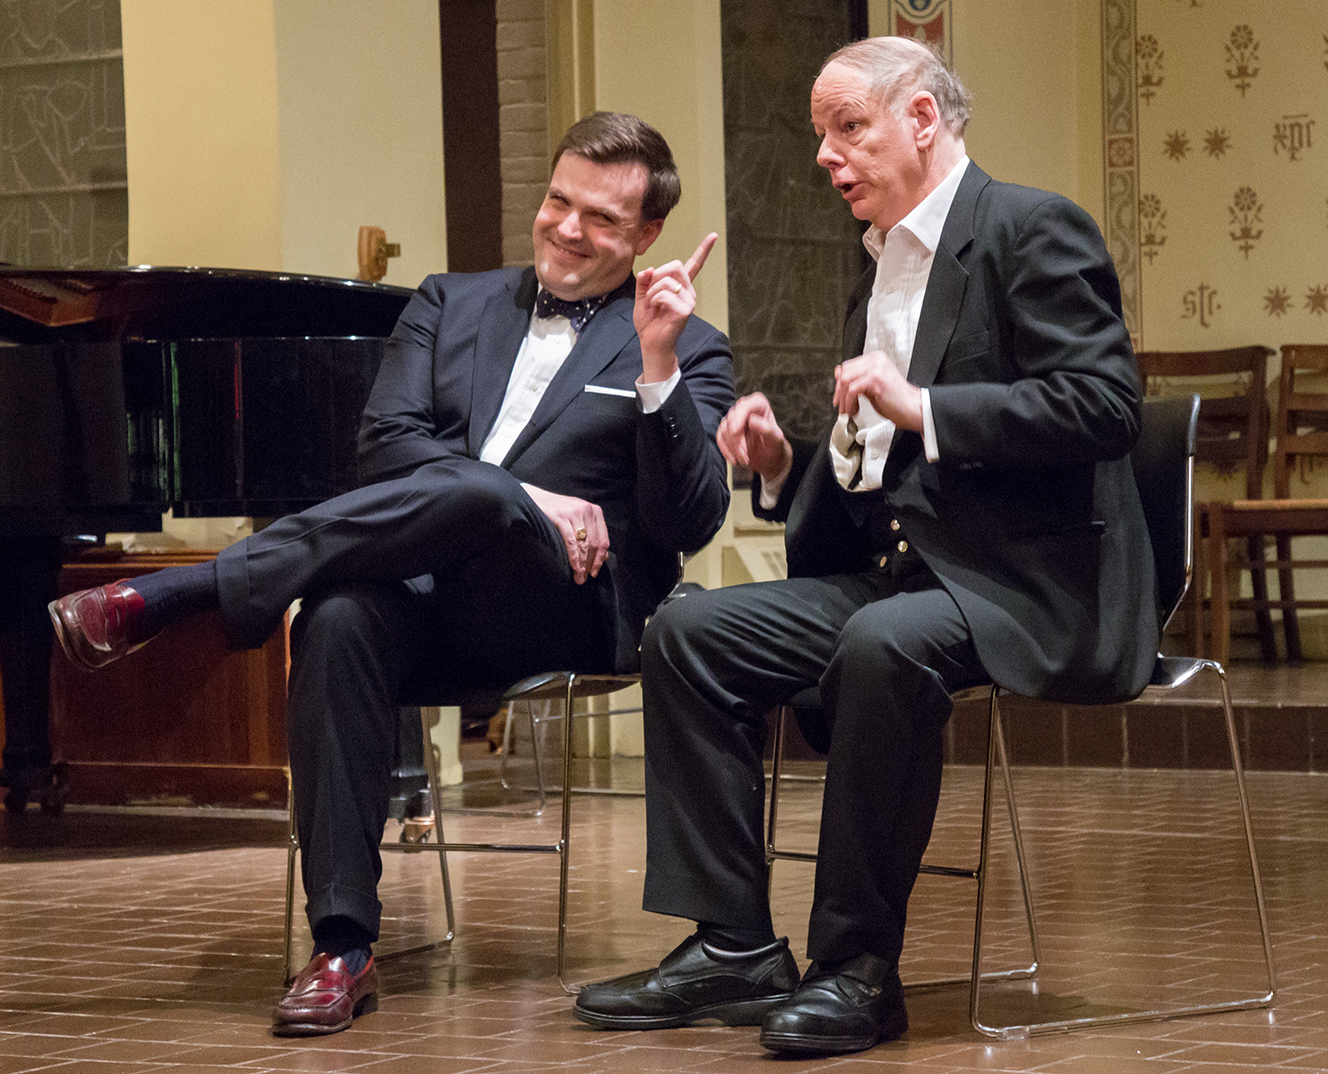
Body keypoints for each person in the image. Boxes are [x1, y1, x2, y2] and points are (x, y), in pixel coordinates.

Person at [48, 111, 735, 1036]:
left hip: (561, 607)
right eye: (558, 201)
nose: (567, 229)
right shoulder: (449, 300)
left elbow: (688, 520)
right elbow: (385, 451)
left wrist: (656, 366)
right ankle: (342, 947)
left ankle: (175, 596)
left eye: (602, 220)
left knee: (487, 500)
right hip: (422, 601)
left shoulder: (691, 342)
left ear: (647, 236)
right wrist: (530, 492)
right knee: (335, 612)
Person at [573, 37, 1160, 1056]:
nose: (824, 156)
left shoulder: (1028, 229)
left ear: (923, 119)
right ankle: (733, 947)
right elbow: (881, 469)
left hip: (1032, 582)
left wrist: (924, 403)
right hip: (905, 576)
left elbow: (1102, 406)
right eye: (819, 135)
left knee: (884, 645)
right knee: (689, 630)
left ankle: (855, 967)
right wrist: (778, 466)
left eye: (849, 127)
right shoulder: (878, 264)